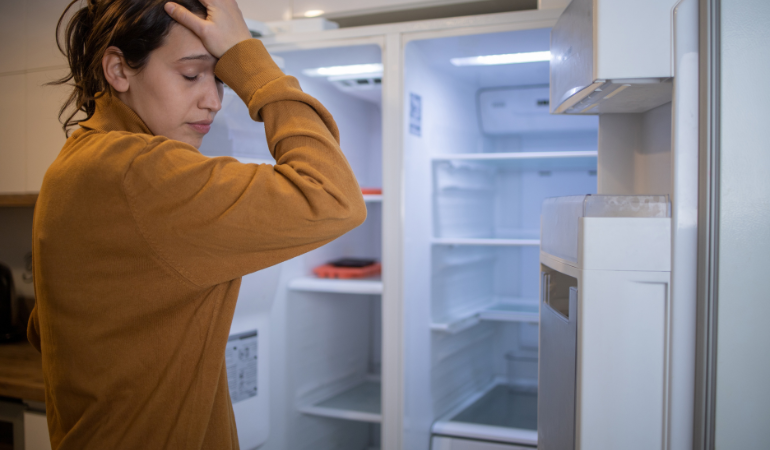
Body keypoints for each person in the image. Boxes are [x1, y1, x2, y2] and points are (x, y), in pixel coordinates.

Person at [26, 0, 367, 448]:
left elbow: (47, 329)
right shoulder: (139, 171)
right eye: (191, 74)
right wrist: (248, 57)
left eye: (221, 78)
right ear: (118, 70)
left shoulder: (77, 162)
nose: (214, 101)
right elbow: (334, 195)